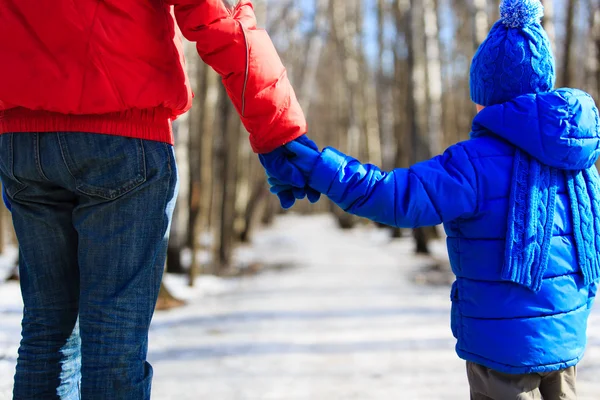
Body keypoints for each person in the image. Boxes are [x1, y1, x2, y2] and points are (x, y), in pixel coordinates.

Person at [268, 0, 600, 398]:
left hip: (501, 352)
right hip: (566, 343)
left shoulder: (474, 165)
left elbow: (393, 197)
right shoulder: (577, 161)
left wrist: (322, 168)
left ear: (488, 97)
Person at [0, 0, 316, 398]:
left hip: (22, 140)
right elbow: (216, 18)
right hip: (121, 131)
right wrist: (279, 132)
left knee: (46, 331)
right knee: (113, 335)